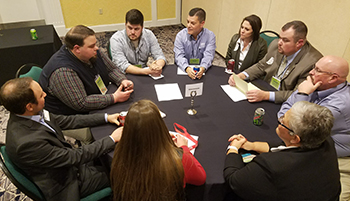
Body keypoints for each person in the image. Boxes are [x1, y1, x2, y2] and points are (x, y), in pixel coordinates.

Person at [0, 77, 123, 201]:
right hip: (67, 182)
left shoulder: (30, 113)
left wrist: (106, 117)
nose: (45, 94)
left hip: (68, 162)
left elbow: (68, 121)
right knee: (124, 174)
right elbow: (73, 157)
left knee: (111, 159)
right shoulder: (27, 144)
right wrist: (112, 139)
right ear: (29, 106)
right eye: (41, 95)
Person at [224, 101, 340, 200]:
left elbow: (234, 180)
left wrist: (233, 148)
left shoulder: (272, 165)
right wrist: (252, 146)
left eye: (282, 122)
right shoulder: (326, 141)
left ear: (295, 138)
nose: (279, 122)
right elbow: (283, 146)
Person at [277, 55, 350, 200]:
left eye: (317, 70)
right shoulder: (316, 85)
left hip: (337, 159)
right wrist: (298, 101)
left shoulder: (339, 104)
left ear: (333, 78)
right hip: (310, 144)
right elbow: (285, 111)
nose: (311, 72)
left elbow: (297, 126)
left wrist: (303, 93)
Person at [110, 100, 206, 201]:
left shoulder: (120, 153)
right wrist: (184, 148)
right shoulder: (179, 160)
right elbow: (200, 178)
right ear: (160, 126)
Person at [39, 25, 134, 116]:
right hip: (72, 118)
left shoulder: (92, 52)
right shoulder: (62, 72)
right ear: (77, 49)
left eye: (95, 44)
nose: (97, 48)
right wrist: (114, 98)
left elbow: (111, 69)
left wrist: (122, 80)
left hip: (98, 97)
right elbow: (81, 103)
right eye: (91, 46)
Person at [228, 20, 322, 103]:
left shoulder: (312, 62)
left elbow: (299, 94)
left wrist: (266, 95)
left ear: (299, 43)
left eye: (285, 40)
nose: (279, 43)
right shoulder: (275, 45)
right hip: (265, 89)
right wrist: (242, 75)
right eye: (280, 38)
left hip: (284, 103)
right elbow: (261, 66)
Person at [109, 9, 166, 76]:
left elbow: (160, 56)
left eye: (136, 29)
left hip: (145, 71)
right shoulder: (116, 39)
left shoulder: (149, 35)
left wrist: (157, 67)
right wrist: (146, 71)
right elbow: (122, 65)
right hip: (126, 75)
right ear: (125, 25)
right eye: (129, 28)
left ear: (142, 27)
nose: (132, 32)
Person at [174, 7, 216, 80]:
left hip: (201, 72)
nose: (188, 26)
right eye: (188, 22)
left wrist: (202, 68)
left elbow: (208, 55)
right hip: (184, 70)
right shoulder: (180, 36)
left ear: (202, 23)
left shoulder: (210, 36)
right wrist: (187, 68)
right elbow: (179, 56)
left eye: (192, 23)